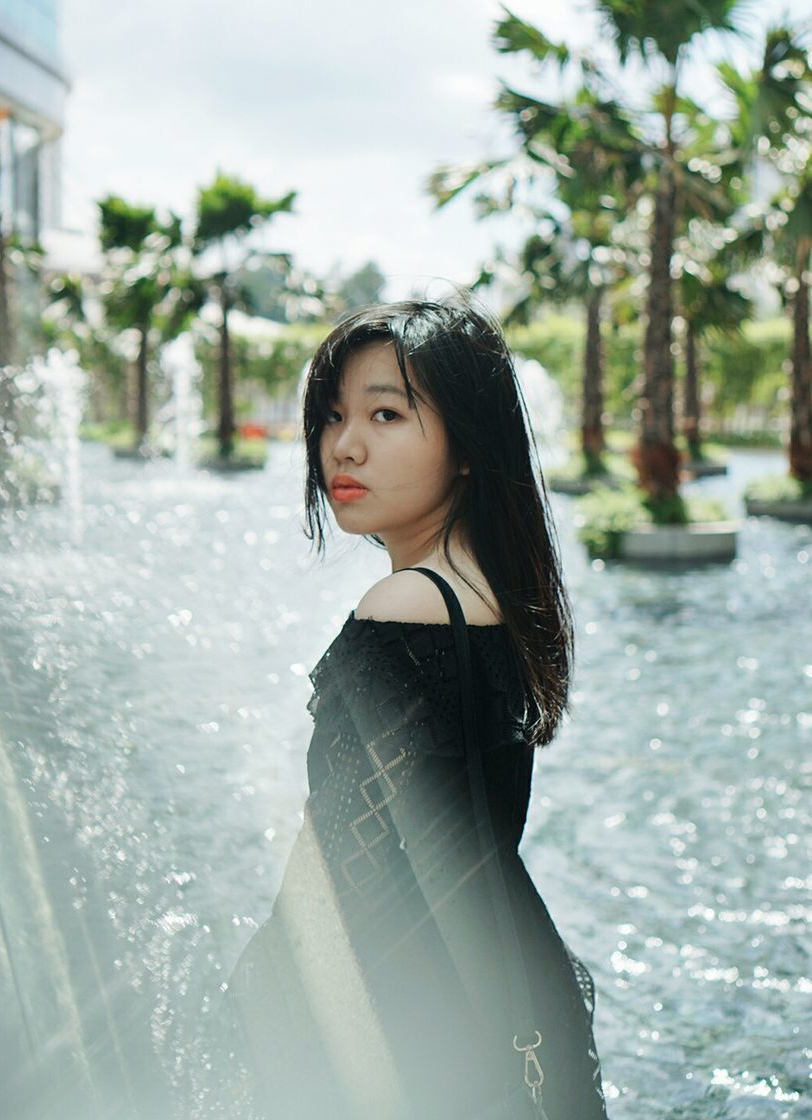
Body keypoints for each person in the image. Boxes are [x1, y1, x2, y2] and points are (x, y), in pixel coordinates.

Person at [216, 292, 609, 1120]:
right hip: (506, 995)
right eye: (330, 417)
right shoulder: (493, 593)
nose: (343, 445)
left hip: (418, 1031)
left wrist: (255, 1008)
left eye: (385, 414)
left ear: (465, 444)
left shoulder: (406, 605)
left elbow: (336, 870)